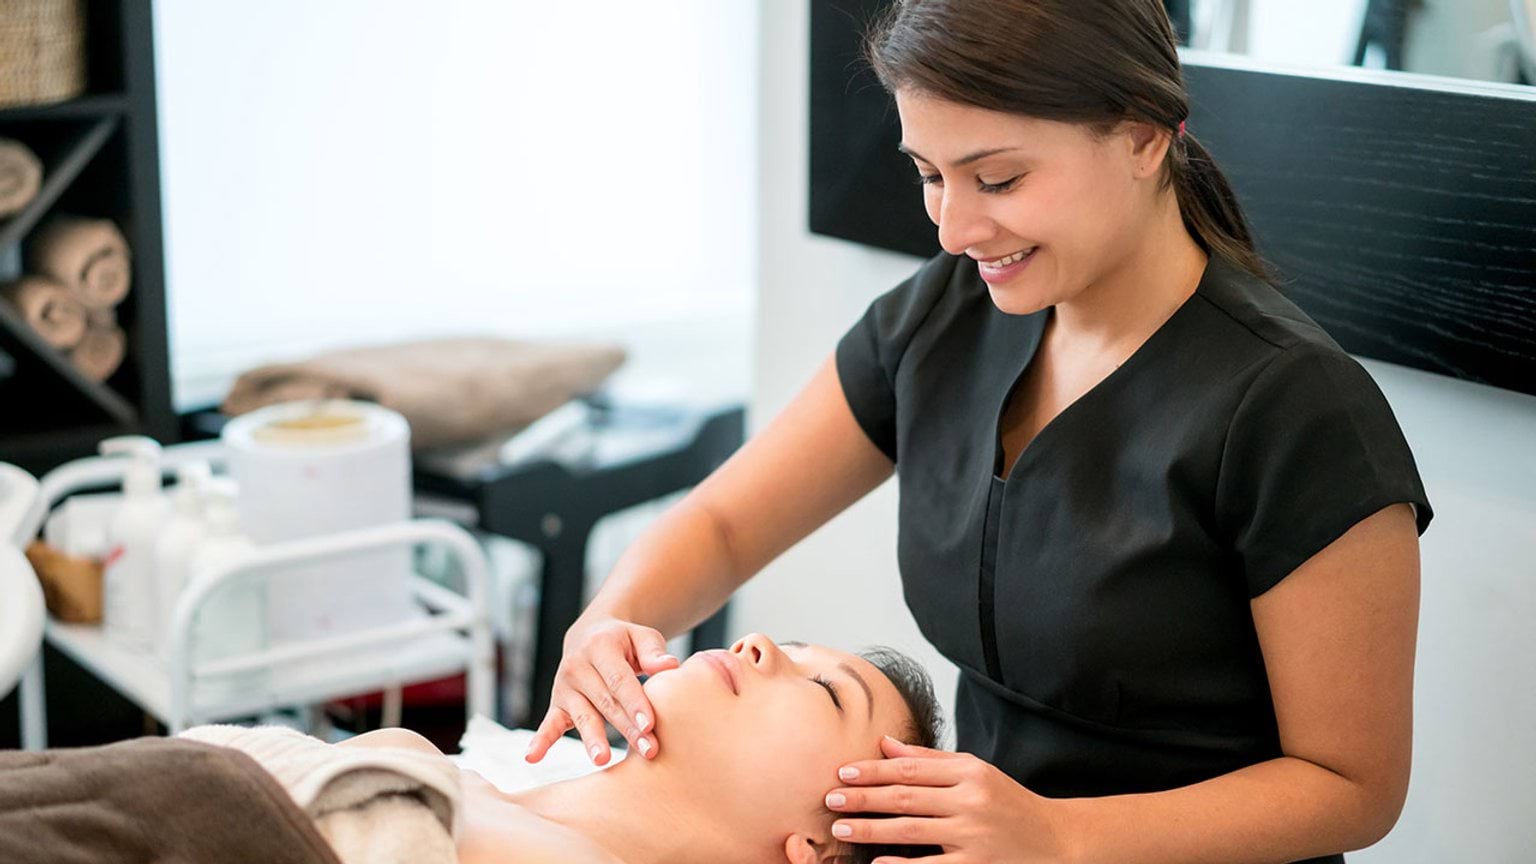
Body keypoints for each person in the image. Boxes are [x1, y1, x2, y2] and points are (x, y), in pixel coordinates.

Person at [525, 1, 1433, 862]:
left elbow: (1351, 784)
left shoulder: (1293, 408)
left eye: (998, 178)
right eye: (928, 175)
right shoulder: (945, 319)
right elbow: (724, 526)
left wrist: (1061, 839)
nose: (955, 228)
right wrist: (611, 623)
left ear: (1145, 135)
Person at [347, 634, 946, 864]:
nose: (757, 643)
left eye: (827, 691)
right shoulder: (417, 762)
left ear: (820, 849)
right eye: (792, 643)